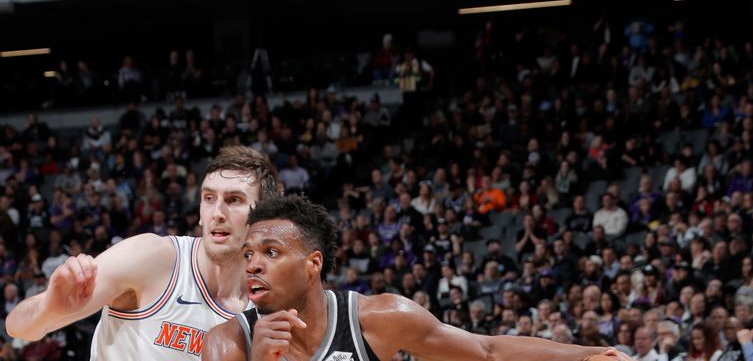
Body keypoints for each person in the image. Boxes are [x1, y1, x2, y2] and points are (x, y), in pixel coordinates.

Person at [201, 195, 631, 361]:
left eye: (271, 253)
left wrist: (590, 355)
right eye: (248, 254)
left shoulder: (377, 319)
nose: (253, 265)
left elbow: (488, 350)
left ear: (314, 263)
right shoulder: (227, 345)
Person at [6, 146, 282, 359]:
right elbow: (18, 326)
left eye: (233, 200)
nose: (217, 213)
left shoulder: (269, 309)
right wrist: (47, 309)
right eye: (209, 198)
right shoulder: (153, 259)